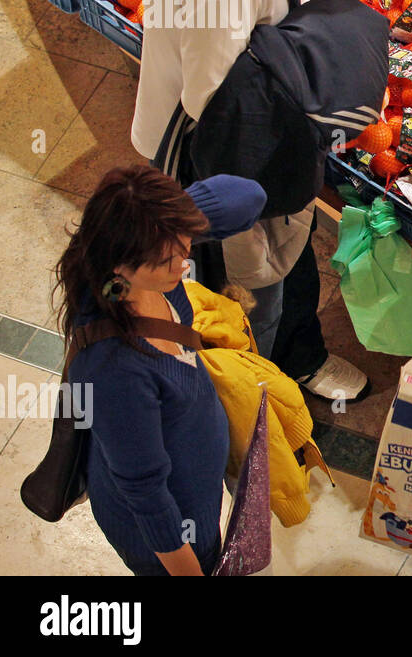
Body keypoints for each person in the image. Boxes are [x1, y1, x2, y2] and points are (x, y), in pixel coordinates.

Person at [130, 0, 412, 401]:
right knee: (253, 270)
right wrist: (312, 91)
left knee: (273, 257)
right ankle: (264, 380)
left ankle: (279, 356)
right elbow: (211, 92)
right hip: (213, 141)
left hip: (226, 106)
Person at [56, 166, 266, 576]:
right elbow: (147, 495)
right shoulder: (114, 372)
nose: (183, 264)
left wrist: (170, 212)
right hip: (174, 534)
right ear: (120, 267)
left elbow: (250, 195)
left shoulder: (143, 254)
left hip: (193, 485)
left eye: (182, 245)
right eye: (164, 260)